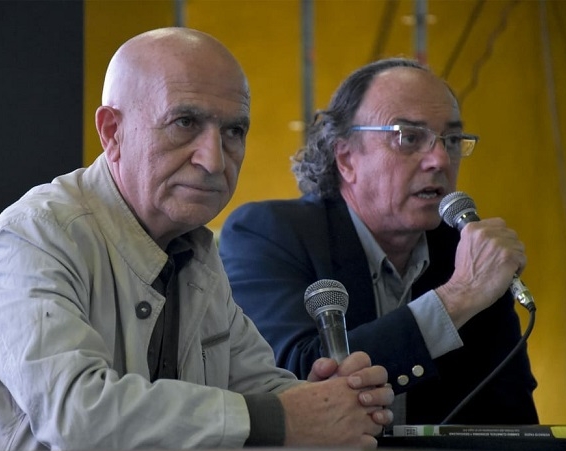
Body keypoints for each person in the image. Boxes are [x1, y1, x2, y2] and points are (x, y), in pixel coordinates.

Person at [0, 28, 394, 451]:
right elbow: (78, 416)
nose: (213, 160)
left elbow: (259, 389)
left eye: (234, 131)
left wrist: (328, 402)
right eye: (185, 122)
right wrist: (285, 418)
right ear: (112, 133)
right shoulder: (34, 236)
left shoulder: (193, 250)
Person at [219, 58, 539, 426]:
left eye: (451, 140)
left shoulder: (464, 250)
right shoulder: (268, 233)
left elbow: (513, 419)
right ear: (346, 158)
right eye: (409, 137)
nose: (439, 159)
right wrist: (458, 297)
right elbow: (295, 377)